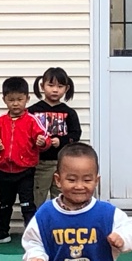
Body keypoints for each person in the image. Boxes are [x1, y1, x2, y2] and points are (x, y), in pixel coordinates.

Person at [0, 76, 49, 245]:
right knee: (4, 203)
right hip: (4, 171)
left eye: (19, 99)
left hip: (25, 171)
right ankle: (3, 231)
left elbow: (45, 138)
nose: (15, 104)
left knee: (27, 204)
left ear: (27, 98)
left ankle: (32, 235)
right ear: (4, 99)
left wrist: (42, 142)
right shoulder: (0, 121)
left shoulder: (32, 120)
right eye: (11, 100)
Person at [28, 66, 82, 210]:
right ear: (42, 86)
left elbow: (76, 134)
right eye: (51, 85)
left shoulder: (69, 112)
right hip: (40, 164)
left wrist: (61, 141)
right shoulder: (33, 111)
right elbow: (25, 134)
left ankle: (61, 222)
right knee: (37, 197)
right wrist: (36, 141)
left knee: (61, 198)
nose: (55, 90)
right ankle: (37, 222)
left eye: (60, 86)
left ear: (66, 88)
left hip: (62, 163)